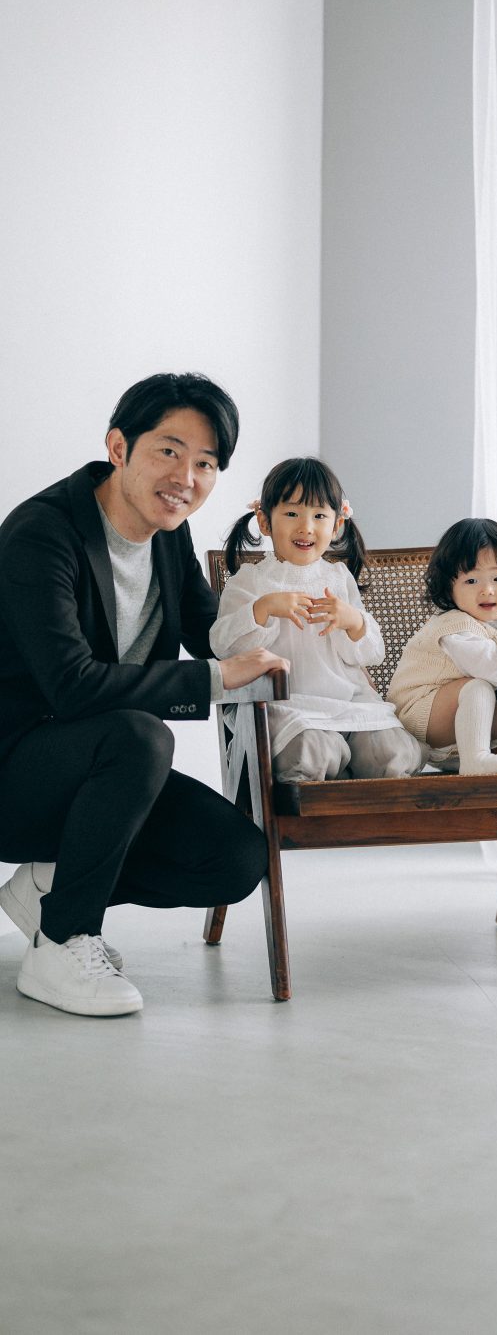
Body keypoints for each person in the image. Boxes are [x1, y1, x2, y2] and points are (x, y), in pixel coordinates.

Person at [0, 372, 288, 1017]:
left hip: (99, 775)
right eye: (168, 451)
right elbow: (73, 686)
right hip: (14, 771)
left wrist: (278, 615)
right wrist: (217, 678)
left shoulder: (168, 533)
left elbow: (212, 634)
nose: (186, 477)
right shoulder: (42, 534)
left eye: (205, 463)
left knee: (234, 858)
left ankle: (48, 889)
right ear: (118, 447)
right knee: (139, 733)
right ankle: (64, 938)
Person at [211, 458, 423, 783]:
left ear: (336, 526)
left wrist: (354, 623)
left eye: (319, 516)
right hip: (289, 707)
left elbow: (371, 654)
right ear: (265, 522)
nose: (306, 527)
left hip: (348, 703)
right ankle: (331, 769)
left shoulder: (338, 578)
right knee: (313, 751)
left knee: (389, 752)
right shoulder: (251, 580)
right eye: (292, 514)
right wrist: (262, 610)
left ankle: (356, 772)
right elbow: (223, 645)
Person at [387, 518, 497, 774]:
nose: (487, 590)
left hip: (441, 712)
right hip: (415, 713)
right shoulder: (456, 628)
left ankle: (458, 760)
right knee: (477, 686)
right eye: (471, 581)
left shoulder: (496, 624)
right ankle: (475, 759)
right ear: (449, 589)